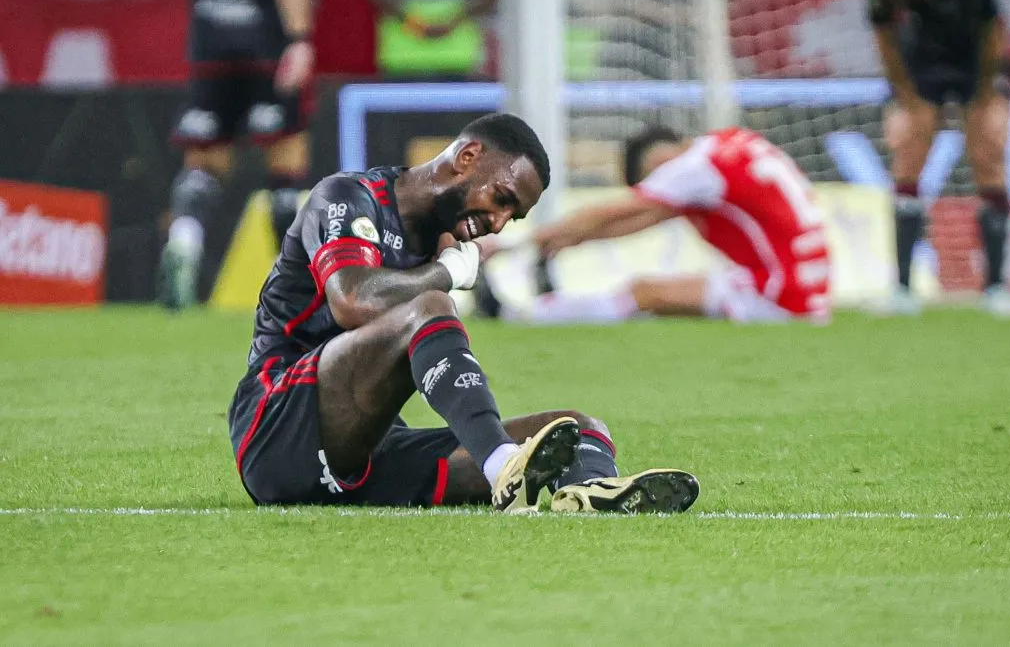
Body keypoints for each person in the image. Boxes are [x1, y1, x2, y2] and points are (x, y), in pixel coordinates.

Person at [227, 114, 700, 514]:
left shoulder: (442, 242)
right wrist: (445, 274)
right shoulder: (347, 198)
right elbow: (352, 300)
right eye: (501, 198)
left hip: (363, 453)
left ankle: (589, 490)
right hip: (275, 430)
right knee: (432, 306)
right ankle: (502, 468)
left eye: (510, 217)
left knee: (580, 429)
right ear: (467, 157)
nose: (495, 222)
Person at [505, 126, 831, 325]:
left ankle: (532, 315)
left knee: (644, 293)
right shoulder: (727, 142)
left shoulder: (693, 169)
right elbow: (645, 218)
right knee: (654, 298)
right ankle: (542, 310)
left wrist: (521, 241)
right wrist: (573, 238)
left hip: (779, 293)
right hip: (809, 287)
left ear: (657, 163)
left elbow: (622, 210)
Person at [865, 0, 1010, 317]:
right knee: (908, 155)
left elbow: (993, 34)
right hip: (920, 63)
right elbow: (884, 37)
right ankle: (902, 290)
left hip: (976, 64)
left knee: (989, 156)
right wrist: (904, 96)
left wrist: (988, 96)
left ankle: (996, 288)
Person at [161, 0, 316, 309]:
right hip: (266, 44)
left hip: (210, 43)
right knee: (285, 167)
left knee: (204, 162)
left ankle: (184, 241)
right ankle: (295, 284)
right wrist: (299, 39)